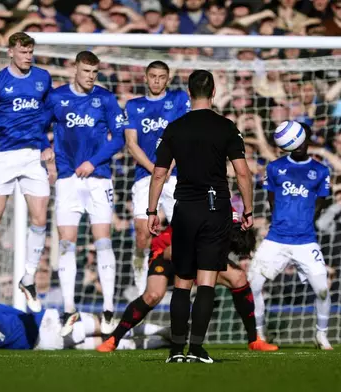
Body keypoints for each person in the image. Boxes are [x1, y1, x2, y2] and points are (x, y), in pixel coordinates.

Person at [147, 70, 254, 363]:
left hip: (185, 209)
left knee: (182, 281)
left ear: (189, 93)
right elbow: (242, 172)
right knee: (206, 282)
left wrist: (152, 211)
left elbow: (159, 174)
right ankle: (196, 349)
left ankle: (175, 350)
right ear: (214, 91)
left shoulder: (175, 127)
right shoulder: (226, 127)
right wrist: (248, 210)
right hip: (215, 208)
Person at [97, 208, 278, 353]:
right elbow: (172, 251)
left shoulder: (228, 213)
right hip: (167, 251)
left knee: (238, 278)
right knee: (153, 295)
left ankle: (254, 339)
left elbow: (237, 237)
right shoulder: (196, 206)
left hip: (202, 253)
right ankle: (114, 338)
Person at [0, 32, 54, 313]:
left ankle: (28, 278)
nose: (27, 56)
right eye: (22, 51)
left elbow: (46, 113)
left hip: (33, 157)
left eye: (30, 51)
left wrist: (45, 143)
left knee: (40, 218)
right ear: (10, 52)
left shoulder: (42, 78)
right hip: (5, 156)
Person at [43, 50, 126, 335]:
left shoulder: (105, 98)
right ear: (74, 69)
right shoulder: (56, 97)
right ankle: (69, 309)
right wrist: (46, 149)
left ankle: (108, 308)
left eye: (95, 72)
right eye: (86, 71)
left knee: (103, 241)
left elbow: (120, 138)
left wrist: (94, 161)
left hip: (99, 179)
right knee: (67, 244)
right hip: (67, 180)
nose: (91, 77)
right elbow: (39, 127)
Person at [248, 126, 333, 350]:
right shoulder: (275, 168)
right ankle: (259, 334)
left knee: (322, 288)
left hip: (306, 240)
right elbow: (271, 199)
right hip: (276, 238)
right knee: (254, 284)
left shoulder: (321, 171)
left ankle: (321, 335)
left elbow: (321, 203)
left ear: (307, 141)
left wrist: (302, 222)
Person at [0, 261, 168, 351]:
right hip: (44, 324)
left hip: (42, 346)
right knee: (110, 327)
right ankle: (164, 331)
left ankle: (161, 342)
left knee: (113, 346)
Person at [125, 60, 190, 296]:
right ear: (145, 77)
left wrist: (168, 165)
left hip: (175, 176)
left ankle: (182, 286)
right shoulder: (133, 106)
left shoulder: (179, 100)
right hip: (146, 176)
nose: (157, 81)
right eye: (153, 76)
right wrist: (155, 168)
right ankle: (141, 285)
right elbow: (131, 144)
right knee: (142, 234)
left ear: (168, 78)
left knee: (185, 233)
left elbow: (185, 136)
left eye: (162, 77)